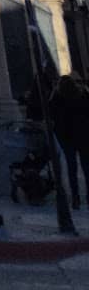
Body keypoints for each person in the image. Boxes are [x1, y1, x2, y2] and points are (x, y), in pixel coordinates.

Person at [50, 73, 89, 210]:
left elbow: (52, 114)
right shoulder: (82, 94)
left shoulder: (57, 97)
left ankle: (75, 198)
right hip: (83, 136)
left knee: (72, 168)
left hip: (67, 138)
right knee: (86, 167)